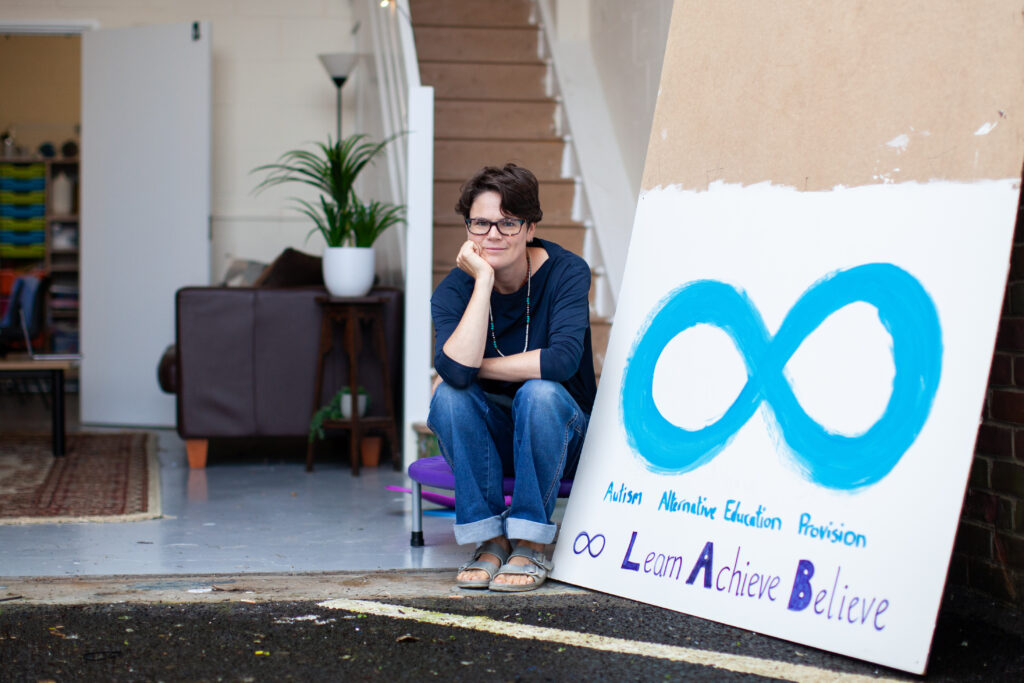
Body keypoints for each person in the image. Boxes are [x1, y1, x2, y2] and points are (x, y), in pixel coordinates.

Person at [428, 163, 596, 592]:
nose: (493, 235)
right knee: (449, 397)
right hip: (495, 440)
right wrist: (482, 281)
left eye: (508, 222)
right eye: (481, 223)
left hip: (562, 434)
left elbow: (560, 362)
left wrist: (470, 367)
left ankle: (530, 543)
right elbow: (453, 379)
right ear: (468, 227)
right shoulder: (453, 290)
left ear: (529, 226)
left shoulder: (566, 272)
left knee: (539, 394)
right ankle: (489, 540)